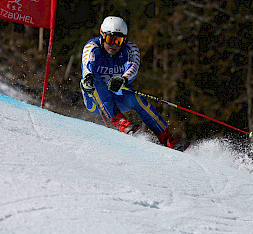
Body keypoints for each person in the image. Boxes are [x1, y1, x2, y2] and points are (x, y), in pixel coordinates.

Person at [80, 16, 187, 151]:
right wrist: (88, 77)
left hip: (118, 100)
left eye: (118, 41)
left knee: (135, 98)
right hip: (95, 101)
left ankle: (167, 138)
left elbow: (133, 67)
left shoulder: (130, 49)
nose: (113, 45)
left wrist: (123, 79)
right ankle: (119, 121)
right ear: (102, 35)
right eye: (110, 39)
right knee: (95, 80)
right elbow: (87, 64)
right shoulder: (92, 46)